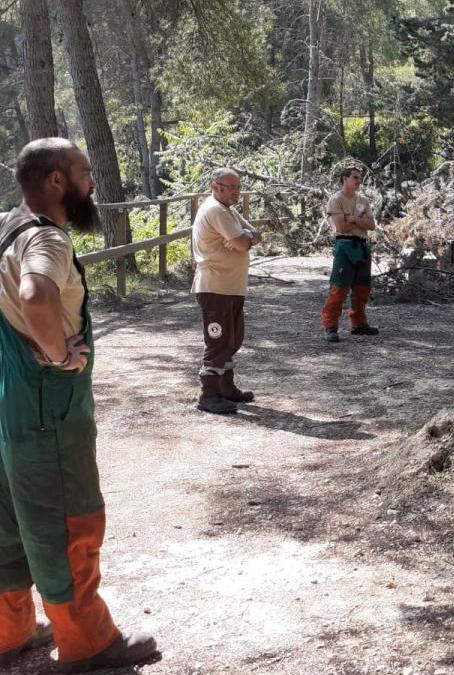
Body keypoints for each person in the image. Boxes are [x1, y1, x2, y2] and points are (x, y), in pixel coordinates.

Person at [0, 138, 157, 671]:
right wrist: (58, 352)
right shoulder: (47, 240)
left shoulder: (5, 226)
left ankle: (9, 630)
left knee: (9, 520)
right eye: (85, 172)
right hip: (48, 405)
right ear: (57, 182)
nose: (93, 182)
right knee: (69, 519)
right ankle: (87, 640)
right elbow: (36, 294)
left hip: (8, 404)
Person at [191, 168, 261, 414]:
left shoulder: (228, 210)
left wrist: (246, 238)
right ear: (215, 186)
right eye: (230, 187)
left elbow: (254, 234)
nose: (236, 191)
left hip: (231, 287)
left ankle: (226, 387)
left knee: (233, 339)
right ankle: (208, 394)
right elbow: (243, 242)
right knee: (218, 341)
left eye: (237, 187)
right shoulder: (215, 210)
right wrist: (245, 239)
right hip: (215, 286)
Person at [320, 167, 379, 342]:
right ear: (344, 179)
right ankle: (330, 327)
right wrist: (359, 222)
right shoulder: (336, 200)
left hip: (362, 246)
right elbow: (341, 227)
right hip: (344, 245)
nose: (358, 181)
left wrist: (352, 219)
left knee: (362, 288)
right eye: (355, 177)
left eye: (359, 178)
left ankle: (359, 325)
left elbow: (372, 225)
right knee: (339, 288)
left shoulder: (363, 200)